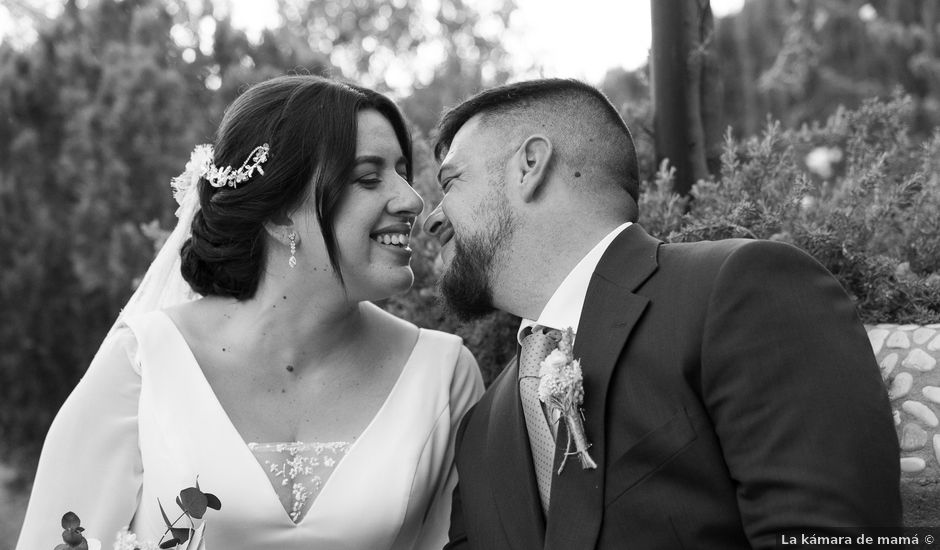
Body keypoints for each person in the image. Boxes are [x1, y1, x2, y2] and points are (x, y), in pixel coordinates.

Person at [422, 78, 902, 550]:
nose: (432, 218)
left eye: (451, 182)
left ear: (529, 164)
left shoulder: (741, 291)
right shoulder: (481, 429)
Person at [16, 74, 483, 550]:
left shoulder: (443, 375)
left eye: (403, 171)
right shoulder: (146, 362)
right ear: (281, 216)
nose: (411, 199)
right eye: (368, 177)